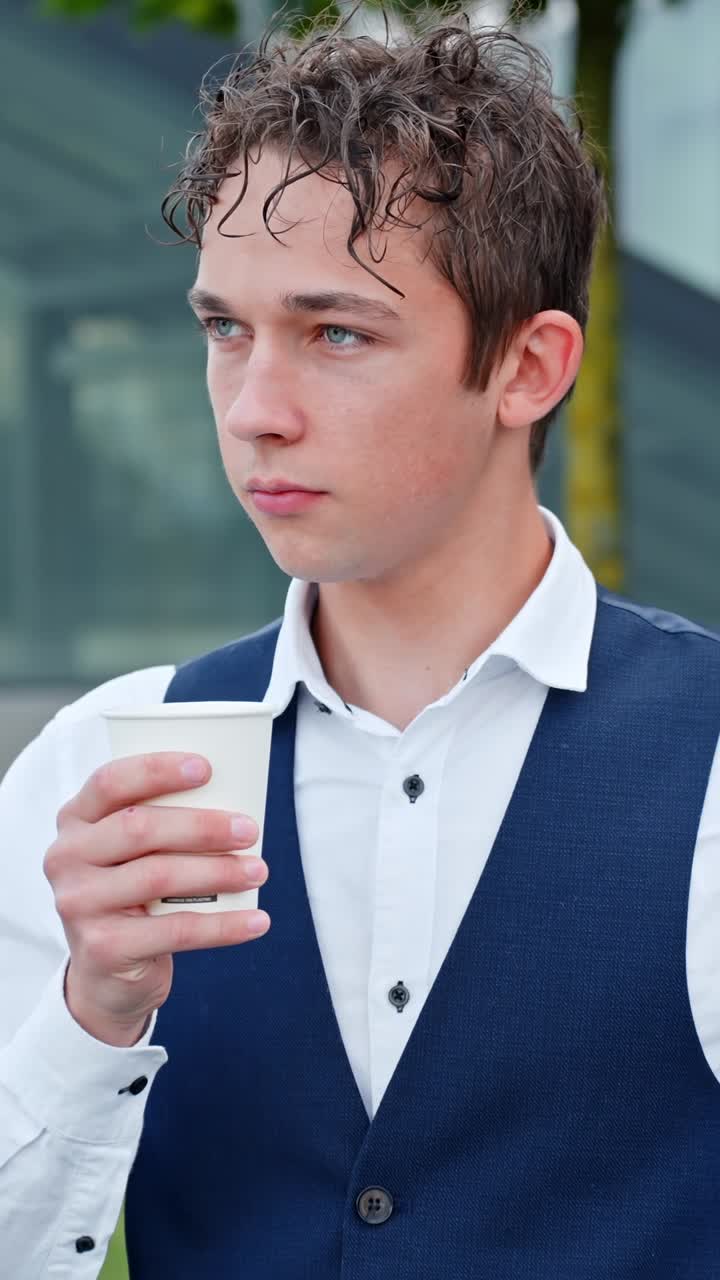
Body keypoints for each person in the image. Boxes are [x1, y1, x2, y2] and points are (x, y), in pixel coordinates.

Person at [1, 7, 719, 1278]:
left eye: (337, 333)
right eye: (226, 328)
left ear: (530, 366)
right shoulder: (93, 769)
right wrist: (91, 1017)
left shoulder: (707, 763)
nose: (254, 411)